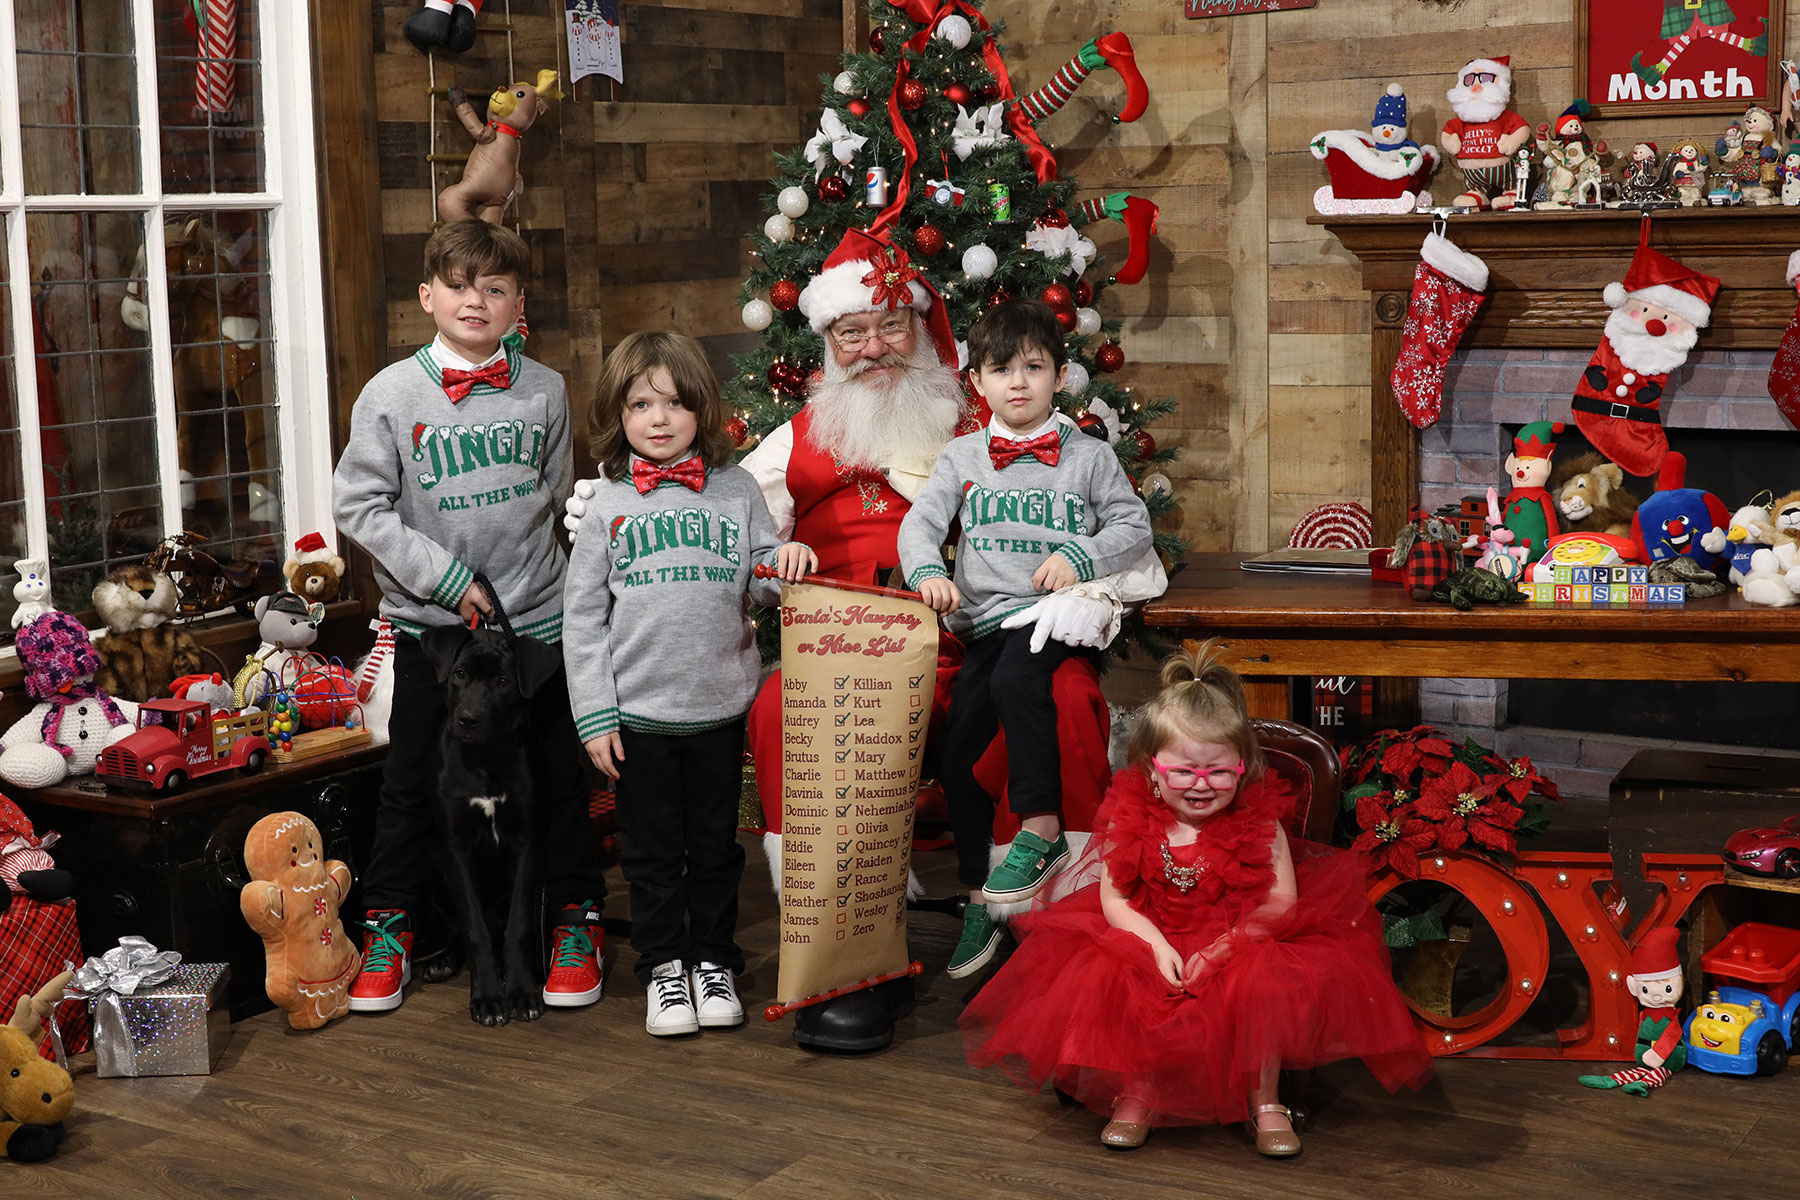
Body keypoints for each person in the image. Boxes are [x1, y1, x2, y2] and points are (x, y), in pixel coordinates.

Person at [566, 226, 1164, 1050]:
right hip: (836, 648)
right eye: (853, 331)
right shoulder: (791, 441)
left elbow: (1106, 524)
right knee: (781, 708)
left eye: (892, 325)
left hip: (957, 643)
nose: (874, 346)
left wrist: (1091, 591)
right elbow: (724, 534)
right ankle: (844, 950)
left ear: (922, 330)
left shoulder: (987, 416)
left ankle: (1048, 933)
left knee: (1062, 695)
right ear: (827, 342)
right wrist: (609, 510)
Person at [960, 641, 1432, 1153]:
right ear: (1151, 770)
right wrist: (1155, 944)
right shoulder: (1130, 815)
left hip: (1238, 938)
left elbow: (1281, 903)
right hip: (1152, 930)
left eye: (1218, 772)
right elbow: (1115, 899)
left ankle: (1264, 1100)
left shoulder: (1259, 820)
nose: (1201, 785)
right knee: (1125, 974)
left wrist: (1226, 946)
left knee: (1263, 984)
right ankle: (1139, 1092)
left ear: (1243, 768)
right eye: (1184, 771)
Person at [333, 219, 608, 1016]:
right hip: (432, 631)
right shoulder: (391, 394)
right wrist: (444, 577)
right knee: (410, 786)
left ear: (518, 302)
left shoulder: (546, 389)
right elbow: (360, 504)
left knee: (560, 781)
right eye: (459, 286)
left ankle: (574, 921)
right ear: (428, 297)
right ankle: (391, 927)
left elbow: (561, 503)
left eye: (494, 288)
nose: (475, 301)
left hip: (538, 629)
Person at [562, 331, 815, 1037]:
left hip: (718, 709)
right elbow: (581, 622)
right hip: (637, 718)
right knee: (648, 853)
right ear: (620, 414)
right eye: (642, 404)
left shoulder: (734, 491)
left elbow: (764, 579)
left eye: (674, 403)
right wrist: (594, 715)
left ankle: (712, 959)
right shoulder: (609, 505)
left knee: (713, 847)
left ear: (701, 409)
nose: (660, 419)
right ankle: (664, 969)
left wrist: (783, 558)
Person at [898, 299, 1153, 980]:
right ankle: (978, 897)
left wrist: (1079, 557)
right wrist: (927, 571)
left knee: (1020, 681)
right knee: (959, 755)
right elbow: (920, 525)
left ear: (1060, 376)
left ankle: (1042, 829)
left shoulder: (1089, 457)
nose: (1018, 382)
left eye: (1033, 368)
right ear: (976, 382)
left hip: (1055, 618)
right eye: (1001, 369)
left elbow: (1135, 529)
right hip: (984, 624)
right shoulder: (961, 457)